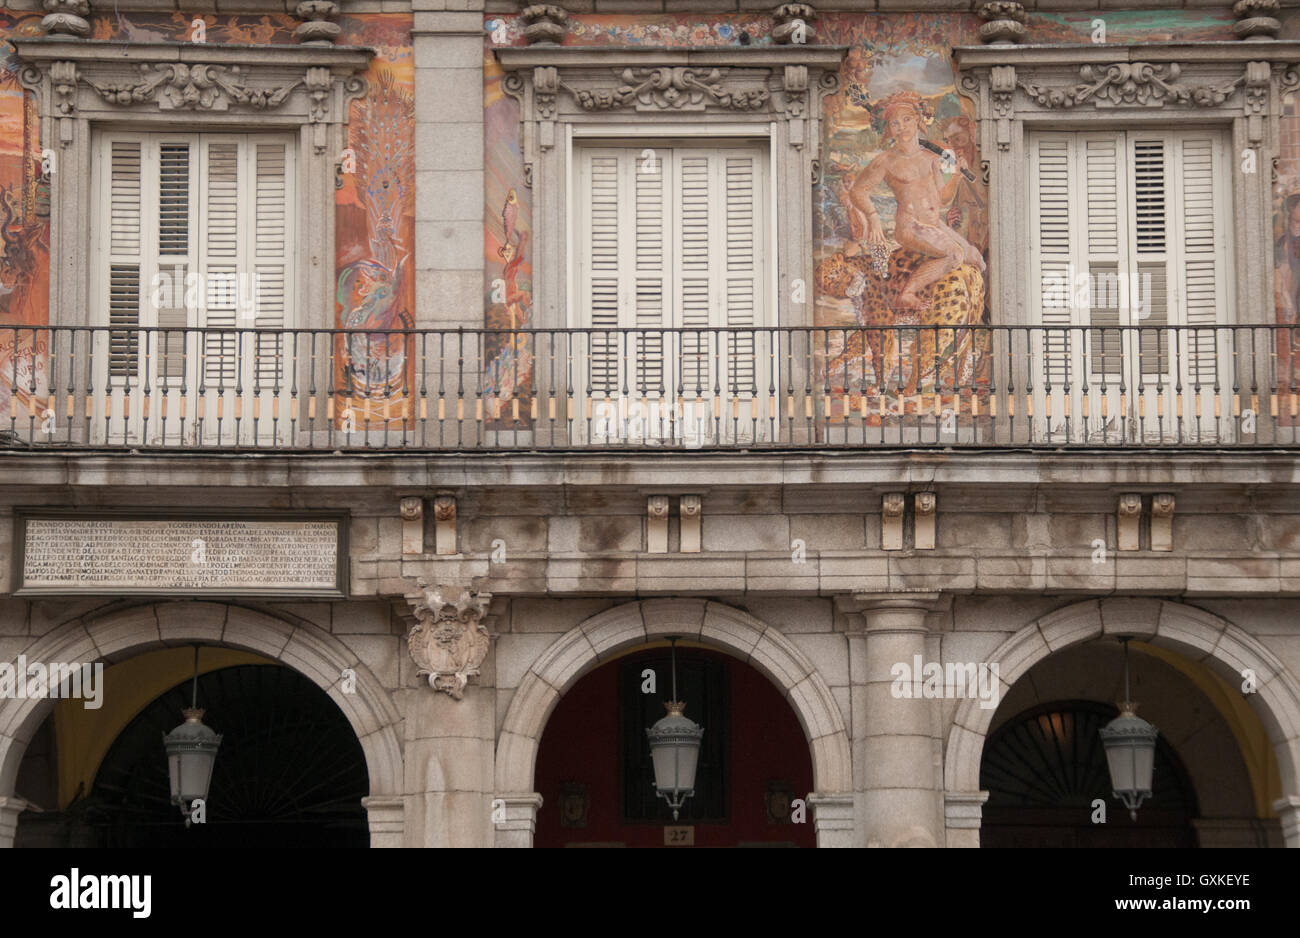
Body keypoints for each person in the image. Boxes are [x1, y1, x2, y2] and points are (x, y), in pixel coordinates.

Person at [848, 91, 985, 309]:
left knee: (977, 259)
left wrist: (958, 174)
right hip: (911, 227)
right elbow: (857, 190)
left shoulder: (930, 158)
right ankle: (907, 293)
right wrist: (873, 218)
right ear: (888, 130)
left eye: (907, 119)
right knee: (954, 254)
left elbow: (943, 200)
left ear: (918, 121)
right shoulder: (886, 161)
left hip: (934, 224)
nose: (901, 126)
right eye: (894, 123)